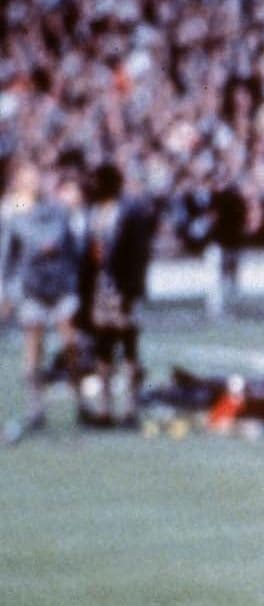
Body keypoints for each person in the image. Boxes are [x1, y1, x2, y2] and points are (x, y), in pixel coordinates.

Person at [2, 156, 86, 445]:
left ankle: (80, 400)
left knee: (71, 343)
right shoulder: (14, 215)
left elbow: (72, 247)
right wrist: (6, 293)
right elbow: (8, 257)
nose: (34, 182)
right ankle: (35, 408)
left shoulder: (58, 211)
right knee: (33, 348)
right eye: (28, 177)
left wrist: (74, 280)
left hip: (61, 287)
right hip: (33, 289)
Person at [73, 161, 158, 427]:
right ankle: (105, 408)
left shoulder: (130, 212)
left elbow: (139, 255)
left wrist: (132, 291)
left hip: (123, 288)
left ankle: (130, 409)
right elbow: (89, 255)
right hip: (99, 287)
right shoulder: (92, 212)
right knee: (103, 347)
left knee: (129, 347)